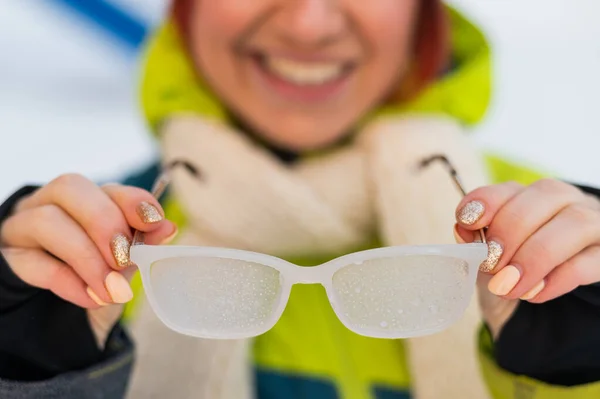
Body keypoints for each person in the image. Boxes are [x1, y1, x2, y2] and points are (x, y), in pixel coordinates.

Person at [1, 0, 600, 398]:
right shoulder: (87, 261)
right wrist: (32, 364)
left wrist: (577, 365)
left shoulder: (556, 243)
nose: (308, 25)